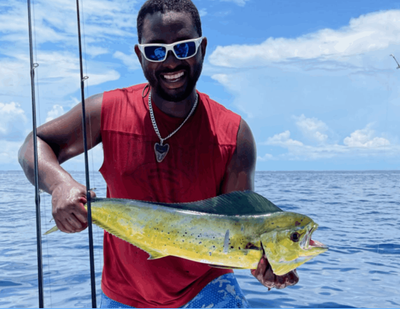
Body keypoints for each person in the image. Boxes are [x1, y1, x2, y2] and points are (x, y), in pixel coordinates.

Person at [18, 0, 299, 307]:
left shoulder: (235, 134)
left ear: (202, 48)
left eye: (184, 48)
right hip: (124, 293)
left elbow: (238, 231)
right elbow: (35, 143)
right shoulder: (107, 111)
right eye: (156, 51)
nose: (171, 62)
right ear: (140, 56)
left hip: (203, 289)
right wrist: (59, 184)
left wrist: (264, 267)